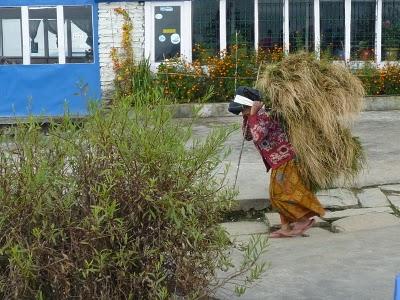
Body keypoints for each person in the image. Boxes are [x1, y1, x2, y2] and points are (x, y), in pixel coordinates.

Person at [228, 86, 325, 238]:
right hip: (277, 161)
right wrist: (247, 117)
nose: (242, 112)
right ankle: (285, 227)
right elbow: (248, 136)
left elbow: (258, 135)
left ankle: (303, 219)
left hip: (285, 159)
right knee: (279, 193)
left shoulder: (264, 114)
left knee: (279, 194)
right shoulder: (252, 117)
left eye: (243, 109)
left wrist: (252, 114)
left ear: (250, 105)